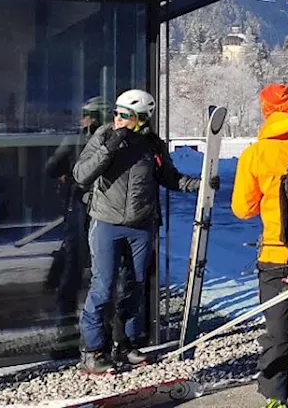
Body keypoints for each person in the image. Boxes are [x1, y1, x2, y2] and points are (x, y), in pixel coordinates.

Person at [72, 88, 211, 373]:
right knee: (103, 286)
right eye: (117, 113)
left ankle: (125, 344)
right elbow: (81, 175)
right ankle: (93, 350)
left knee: (135, 287)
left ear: (142, 118)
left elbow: (169, 178)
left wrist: (201, 184)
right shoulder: (103, 136)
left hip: (141, 226)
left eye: (126, 116)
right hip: (106, 223)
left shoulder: (152, 145)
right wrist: (110, 146)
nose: (119, 119)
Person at [233, 83, 288, 408]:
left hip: (276, 255)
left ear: (265, 112)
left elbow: (242, 208)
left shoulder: (256, 153)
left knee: (277, 334)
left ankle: (275, 399)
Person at [44, 96, 107, 318]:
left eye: (85, 116)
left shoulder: (77, 140)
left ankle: (66, 306)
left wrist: (67, 175)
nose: (81, 120)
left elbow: (51, 168)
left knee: (74, 258)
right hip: (101, 207)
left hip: (79, 205)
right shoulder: (112, 140)